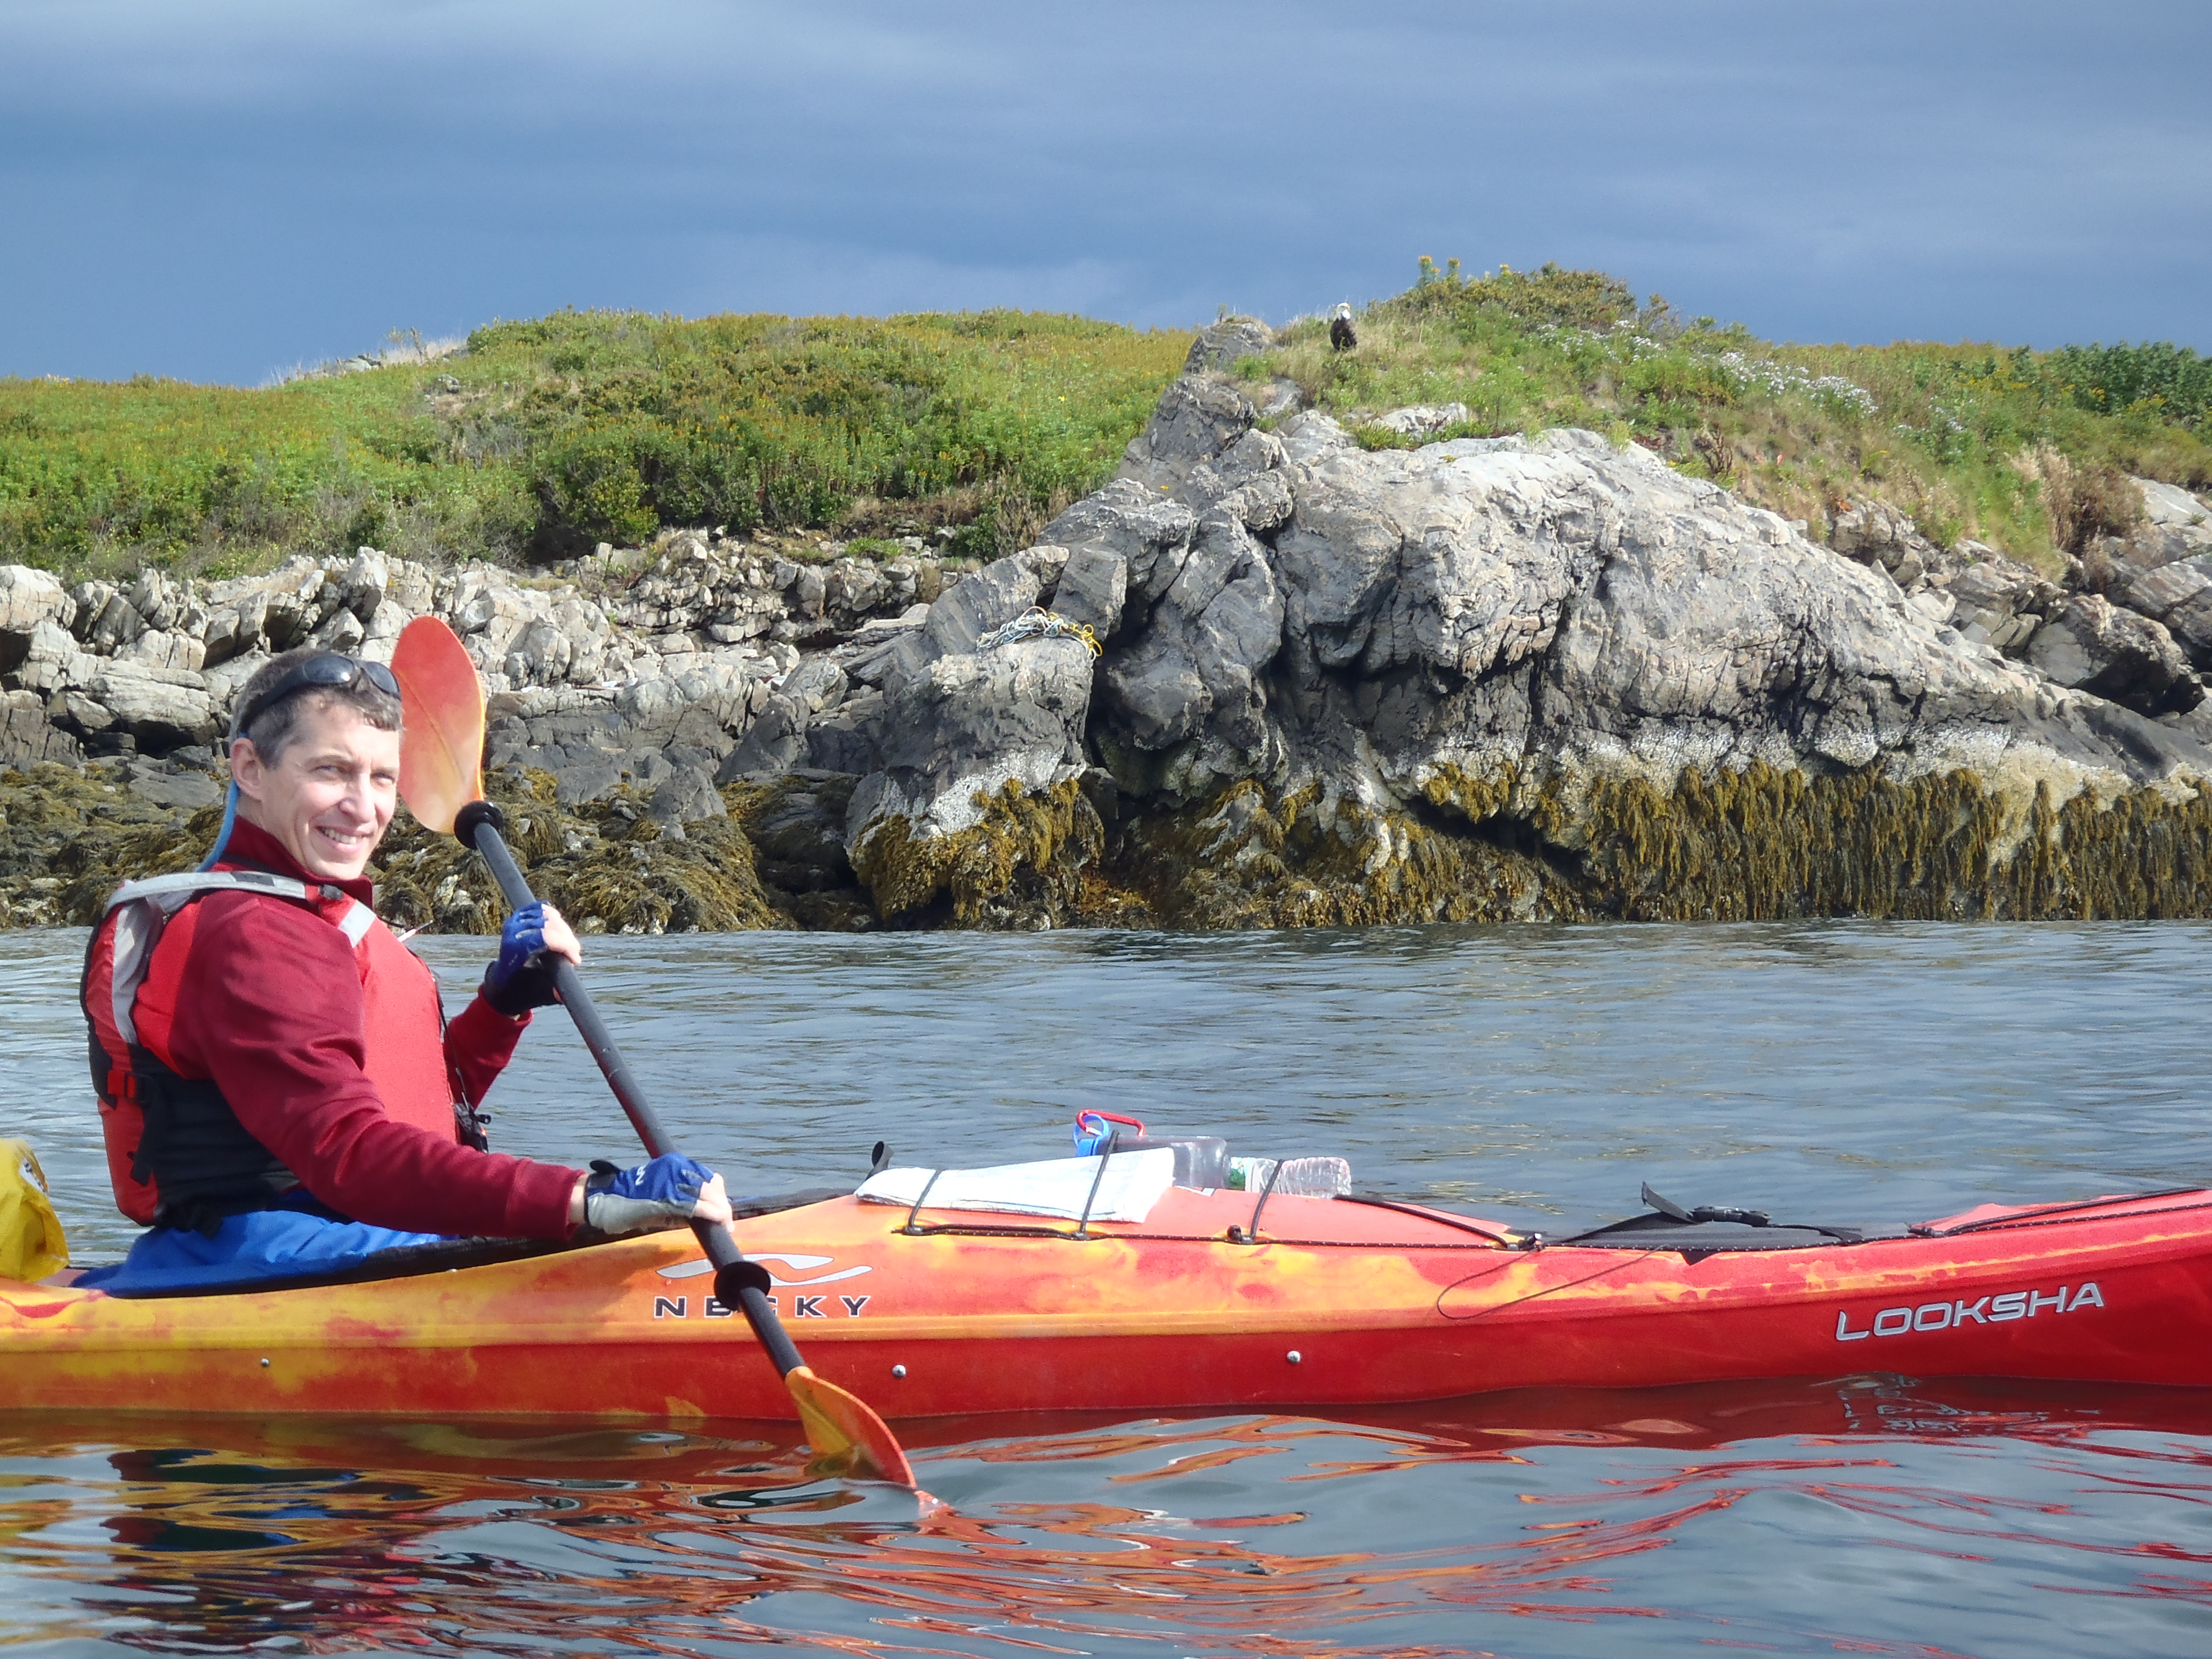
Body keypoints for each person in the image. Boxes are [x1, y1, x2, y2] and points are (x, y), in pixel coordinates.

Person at [77, 647, 731, 1293]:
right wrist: (581, 1197)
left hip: (351, 1231)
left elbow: (413, 1105)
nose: (364, 809)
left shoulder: (307, 913)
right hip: (266, 1258)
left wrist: (502, 1006)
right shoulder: (253, 934)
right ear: (250, 766)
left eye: (382, 777)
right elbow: (345, 1152)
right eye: (331, 771)